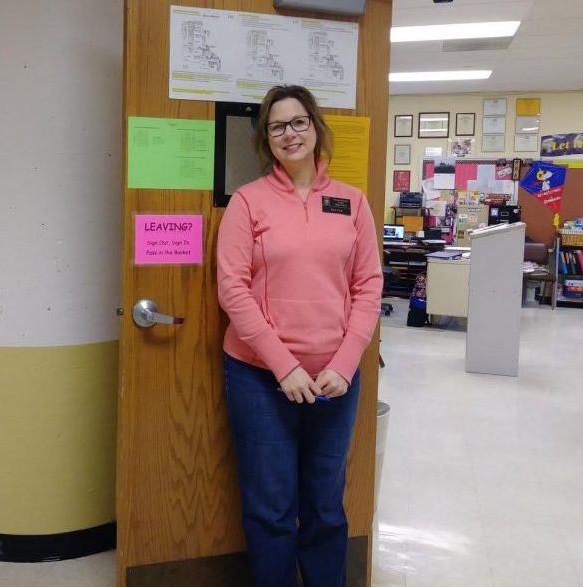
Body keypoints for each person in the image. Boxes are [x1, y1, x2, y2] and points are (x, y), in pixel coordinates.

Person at [216, 85, 382, 587]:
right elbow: (233, 289)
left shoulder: (352, 202)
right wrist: (283, 366)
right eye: (276, 125)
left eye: (298, 122)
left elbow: (369, 285)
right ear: (266, 138)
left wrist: (346, 362)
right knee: (270, 507)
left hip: (335, 379)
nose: (289, 133)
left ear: (315, 126)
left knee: (326, 505)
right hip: (260, 378)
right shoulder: (248, 202)